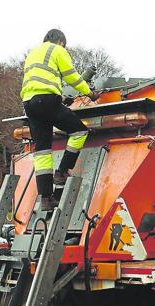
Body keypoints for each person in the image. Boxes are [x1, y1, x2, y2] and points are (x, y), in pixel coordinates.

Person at [21, 28, 100, 210]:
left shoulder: (33, 54)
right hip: (47, 100)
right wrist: (89, 93)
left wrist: (62, 99)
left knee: (42, 152)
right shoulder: (57, 50)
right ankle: (62, 172)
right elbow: (71, 76)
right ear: (61, 41)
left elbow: (40, 83)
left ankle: (46, 199)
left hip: (29, 104)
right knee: (79, 131)